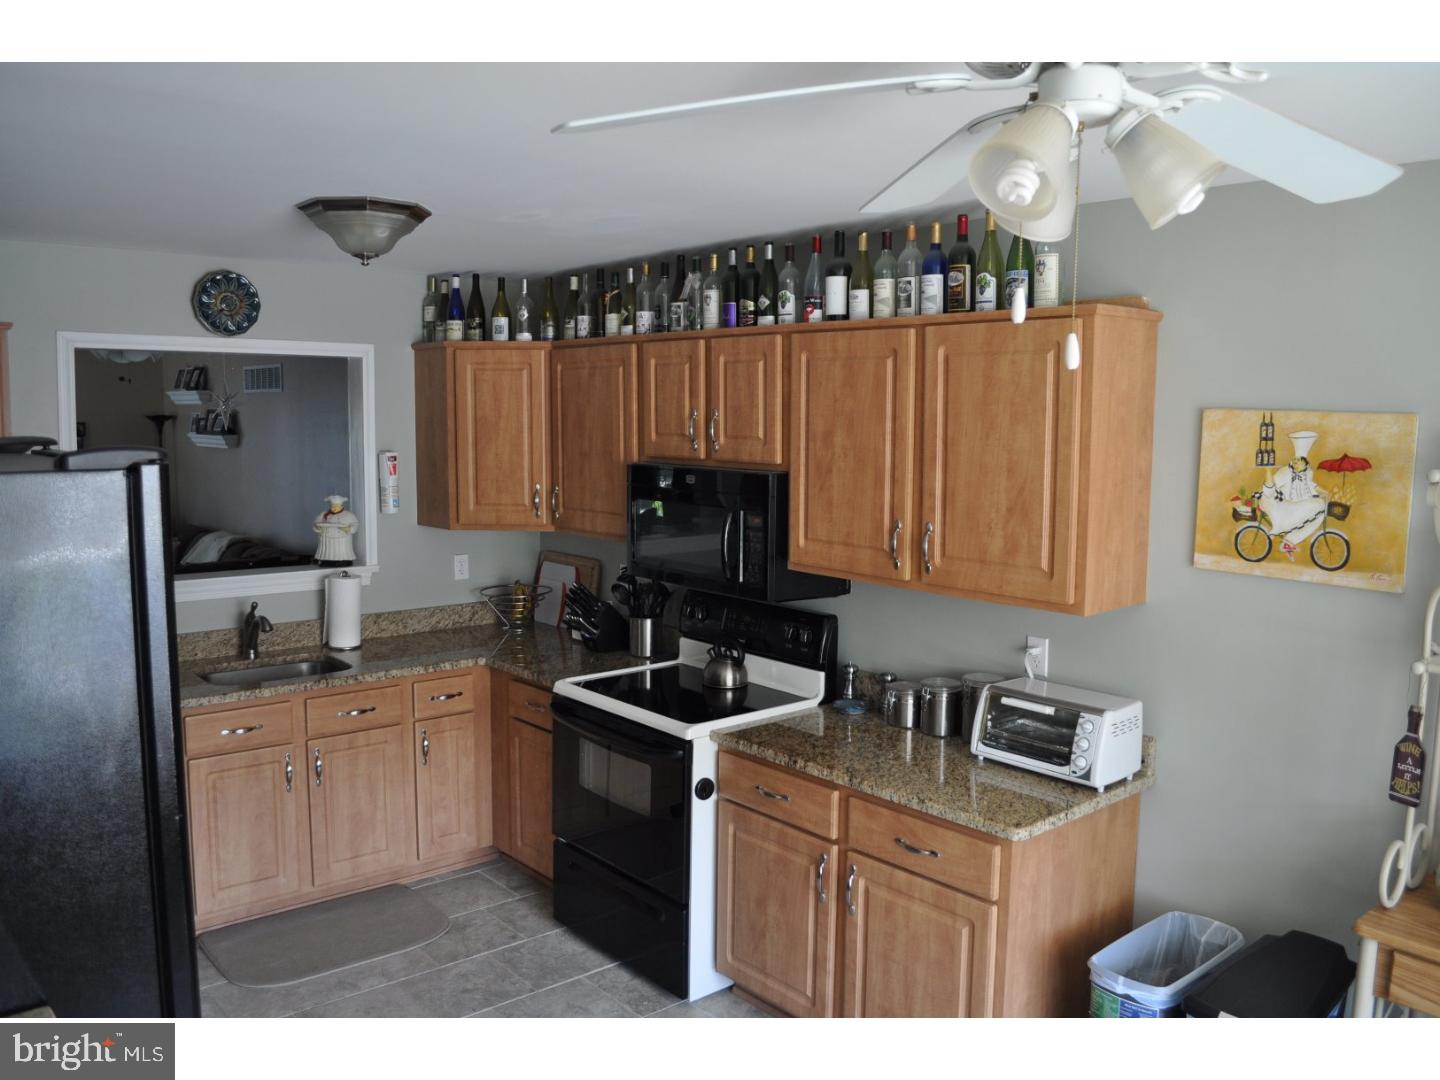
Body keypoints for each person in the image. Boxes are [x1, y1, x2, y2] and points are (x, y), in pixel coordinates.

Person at [1257, 430, 1328, 559]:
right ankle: (1282, 533)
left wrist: (1323, 492)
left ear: (1305, 464)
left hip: (1296, 504)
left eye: (1300, 461)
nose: (1296, 462)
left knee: (1320, 509)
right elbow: (1269, 489)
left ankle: (1289, 541)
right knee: (1308, 509)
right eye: (1295, 460)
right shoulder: (1285, 472)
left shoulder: (1307, 473)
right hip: (1279, 503)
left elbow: (1310, 485)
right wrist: (1268, 472)